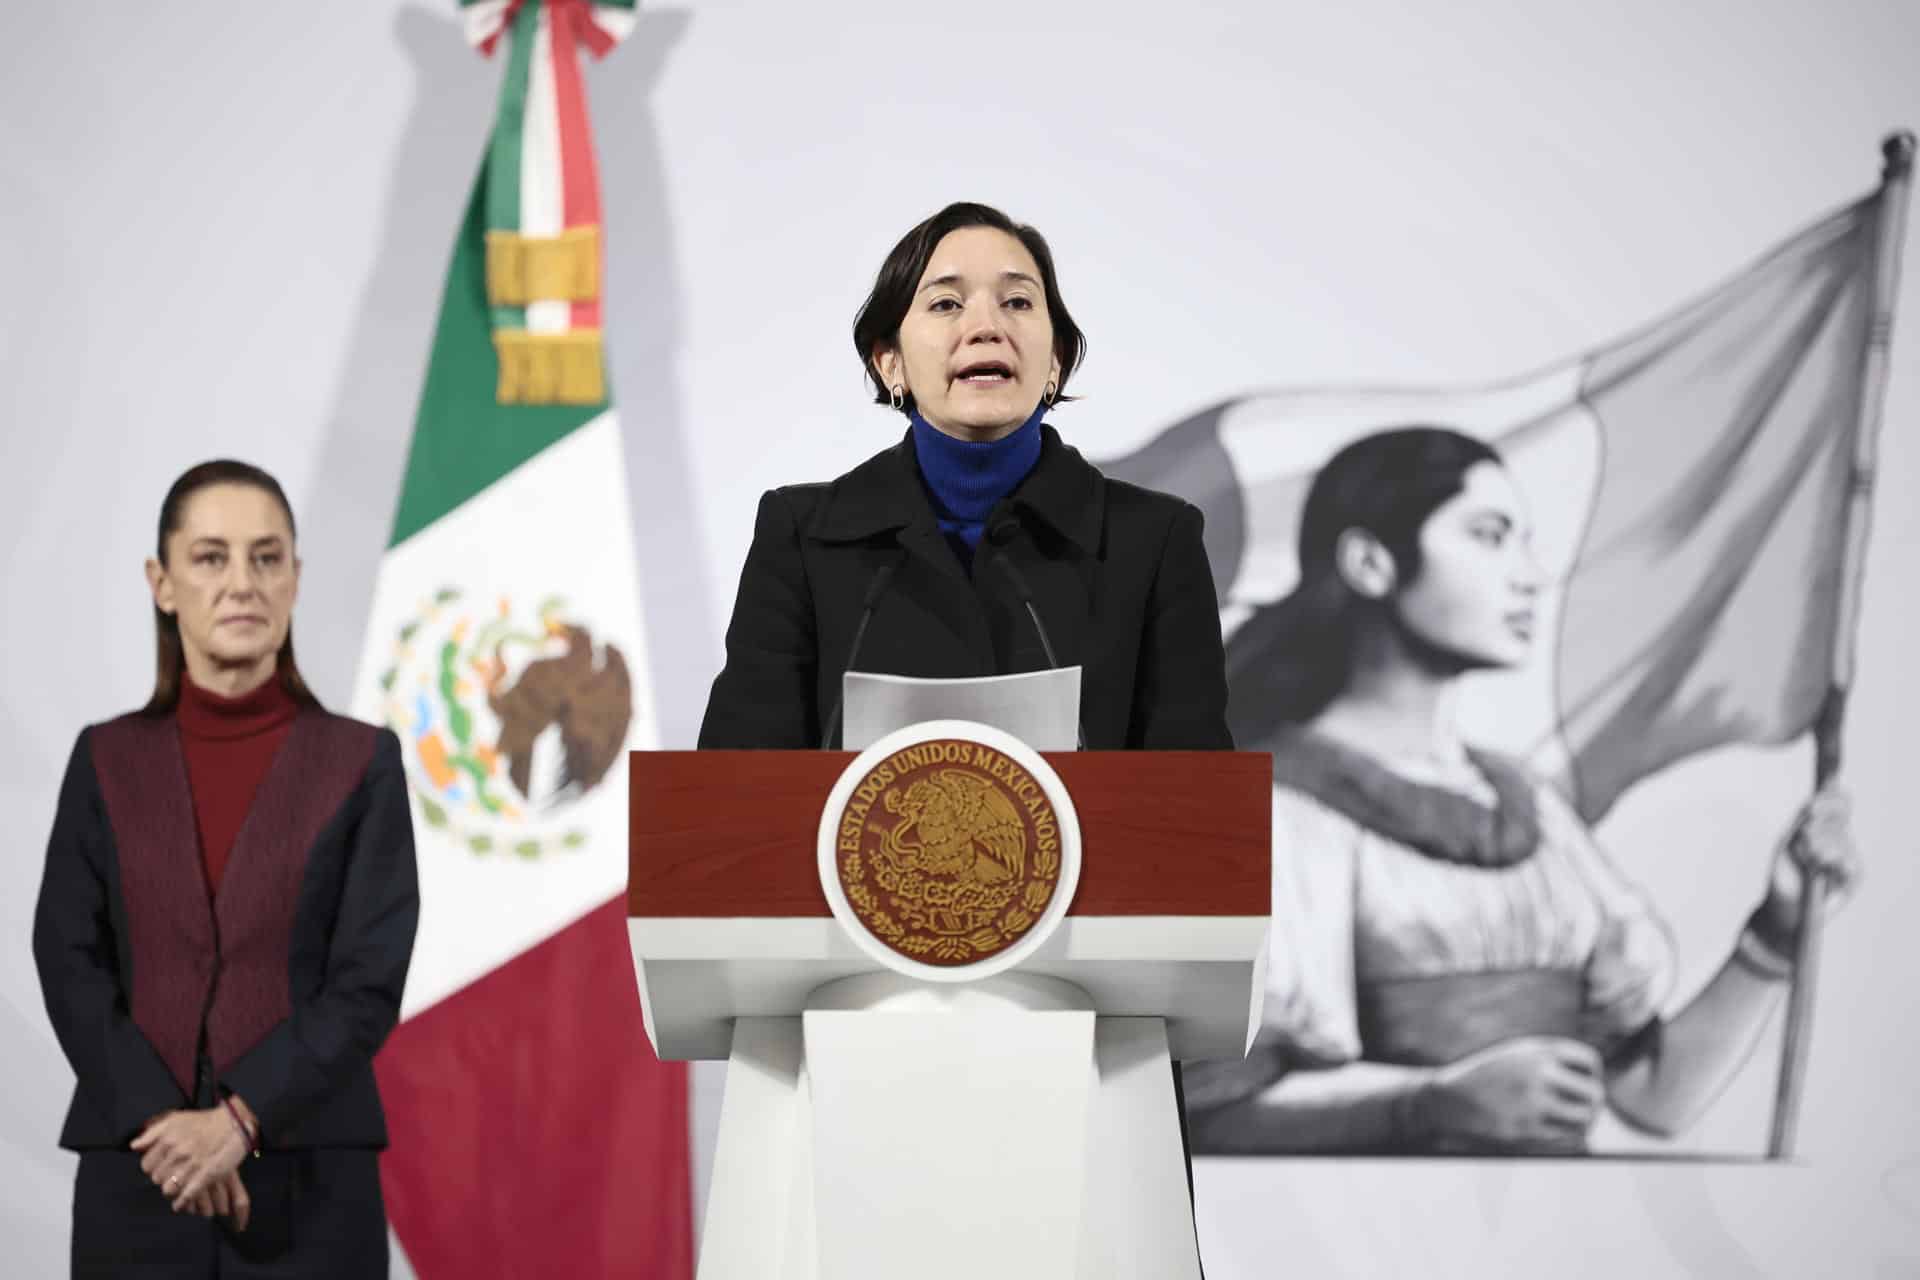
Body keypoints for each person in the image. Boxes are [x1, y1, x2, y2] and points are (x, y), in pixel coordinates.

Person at [1183, 426, 1860, 1155]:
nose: (1531, 575)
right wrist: (1428, 1104)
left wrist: (1778, 929)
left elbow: (1653, 1097)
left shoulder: (1527, 806)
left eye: (1524, 541)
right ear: (1370, 562)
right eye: (1490, 535)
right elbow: (1210, 1112)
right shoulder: (1268, 806)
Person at [33, 460, 419, 1276]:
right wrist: (170, 1131)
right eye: (211, 557)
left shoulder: (363, 762)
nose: (242, 582)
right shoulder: (104, 759)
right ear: (162, 582)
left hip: (312, 1186)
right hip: (138, 1175)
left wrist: (239, 1122)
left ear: (295, 579)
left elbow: (368, 979)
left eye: (266, 557)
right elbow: (68, 959)